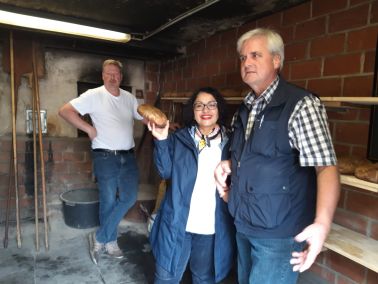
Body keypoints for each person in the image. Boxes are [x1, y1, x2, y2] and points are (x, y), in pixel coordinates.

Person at [214, 28, 340, 284]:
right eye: (242, 57)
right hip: (244, 225)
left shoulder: (301, 105)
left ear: (276, 60)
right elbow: (257, 157)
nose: (247, 62)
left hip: (279, 235)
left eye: (255, 55)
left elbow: (325, 167)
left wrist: (322, 224)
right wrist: (229, 164)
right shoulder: (246, 108)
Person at [59, 59, 144, 264]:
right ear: (103, 76)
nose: (112, 77)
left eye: (116, 74)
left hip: (128, 156)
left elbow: (142, 116)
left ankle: (99, 237)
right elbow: (65, 111)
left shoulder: (129, 98)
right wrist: (87, 129)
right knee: (107, 200)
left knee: (129, 197)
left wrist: (161, 122)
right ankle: (111, 241)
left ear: (121, 77)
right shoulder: (93, 95)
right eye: (108, 73)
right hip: (105, 156)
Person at [148, 87, 235, 284]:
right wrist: (161, 140)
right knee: (165, 277)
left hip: (211, 226)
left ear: (219, 109)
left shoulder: (231, 142)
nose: (206, 109)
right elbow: (165, 172)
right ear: (192, 111)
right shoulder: (180, 139)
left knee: (203, 278)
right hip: (178, 222)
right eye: (199, 105)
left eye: (211, 104)